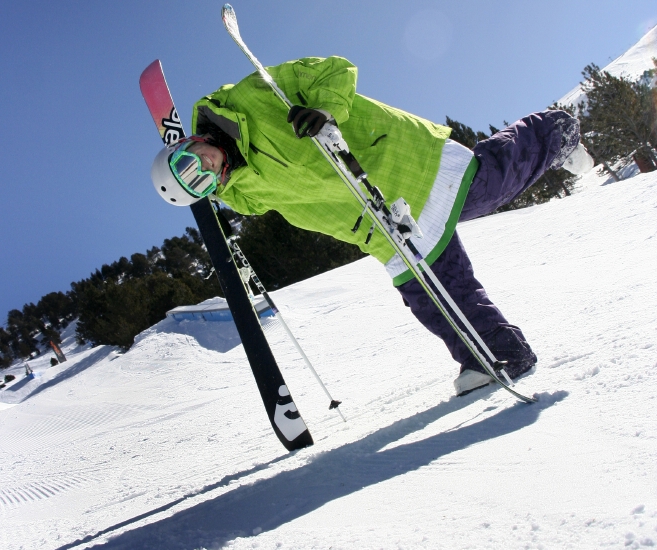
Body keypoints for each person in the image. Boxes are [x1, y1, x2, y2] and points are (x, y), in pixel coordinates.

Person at [151, 56, 592, 395]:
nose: (203, 166)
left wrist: (323, 110)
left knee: (493, 181)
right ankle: (496, 354)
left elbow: (336, 70)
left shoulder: (248, 97)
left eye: (190, 160)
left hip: (403, 163)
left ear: (188, 141)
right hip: (378, 219)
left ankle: (558, 129)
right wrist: (210, 205)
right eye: (198, 180)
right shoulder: (241, 189)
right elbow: (235, 203)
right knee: (429, 292)